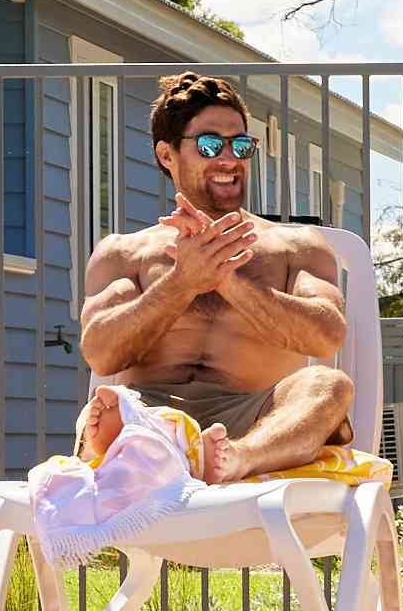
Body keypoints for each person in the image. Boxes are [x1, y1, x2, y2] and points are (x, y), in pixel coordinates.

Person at [78, 71, 362, 484]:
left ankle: (238, 460)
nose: (229, 159)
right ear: (167, 155)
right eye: (210, 144)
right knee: (110, 408)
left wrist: (229, 281)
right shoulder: (126, 254)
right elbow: (102, 353)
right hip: (149, 411)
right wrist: (182, 282)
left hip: (254, 419)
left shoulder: (296, 247)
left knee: (329, 386)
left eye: (241, 145)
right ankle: (142, 443)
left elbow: (325, 335)